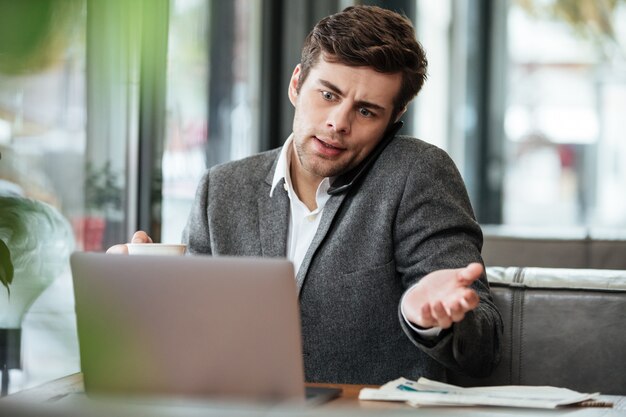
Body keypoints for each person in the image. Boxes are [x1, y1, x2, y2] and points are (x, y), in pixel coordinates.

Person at [109, 5, 502, 385]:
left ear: (393, 120)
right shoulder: (222, 190)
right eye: (328, 95)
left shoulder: (417, 174)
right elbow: (190, 338)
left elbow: (484, 348)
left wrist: (429, 320)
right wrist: (145, 297)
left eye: (366, 111)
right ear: (297, 84)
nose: (338, 123)